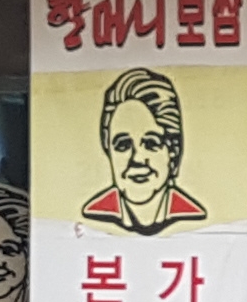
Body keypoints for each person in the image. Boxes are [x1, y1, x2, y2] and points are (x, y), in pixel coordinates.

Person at [80, 67, 207, 233]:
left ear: (173, 151)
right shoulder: (92, 219)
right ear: (108, 150)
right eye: (123, 145)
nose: (137, 158)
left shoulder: (195, 222)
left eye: (151, 143)